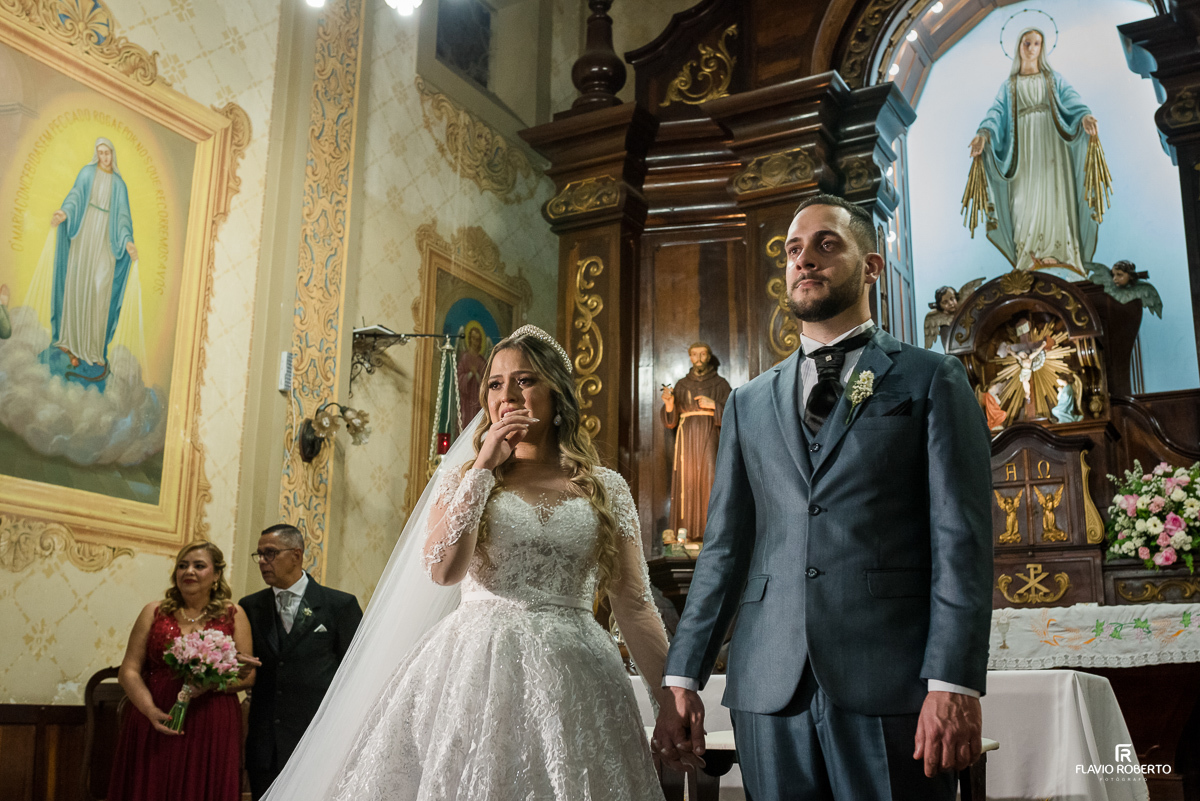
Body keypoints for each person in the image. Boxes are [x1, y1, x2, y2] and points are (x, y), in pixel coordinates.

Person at [653, 195, 993, 800]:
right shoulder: (749, 402)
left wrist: (953, 682)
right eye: (793, 250)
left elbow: (961, 541)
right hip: (767, 683)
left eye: (825, 244)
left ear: (871, 266)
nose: (804, 259)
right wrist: (683, 676)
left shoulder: (930, 378)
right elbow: (724, 550)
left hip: (894, 681)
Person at [261, 324, 687, 800]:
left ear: (557, 394)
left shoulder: (606, 489)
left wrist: (670, 699)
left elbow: (635, 604)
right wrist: (483, 469)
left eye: (525, 380)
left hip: (578, 675)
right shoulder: (462, 479)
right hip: (479, 669)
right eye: (495, 384)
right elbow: (443, 571)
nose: (508, 396)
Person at [108, 541, 256, 801]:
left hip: (212, 719)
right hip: (157, 713)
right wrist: (150, 710)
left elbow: (249, 676)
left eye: (199, 566)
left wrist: (210, 684)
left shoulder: (234, 614)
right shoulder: (154, 612)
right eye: (182, 566)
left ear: (216, 574)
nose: (189, 571)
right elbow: (128, 671)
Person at [239, 524, 363, 800]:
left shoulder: (339, 605)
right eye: (259, 554)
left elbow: (357, 672)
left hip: (317, 739)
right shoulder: (249, 607)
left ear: (296, 555)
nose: (262, 561)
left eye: (270, 553)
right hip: (266, 743)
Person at [968, 28, 1101, 275]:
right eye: (1026, 43)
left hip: (1052, 146)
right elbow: (996, 112)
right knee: (1023, 201)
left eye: (1036, 43)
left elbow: (1071, 99)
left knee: (1056, 194)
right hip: (1023, 154)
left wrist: (1084, 115)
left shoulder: (1053, 79)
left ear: (1043, 48)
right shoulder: (1009, 86)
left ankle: (1062, 256)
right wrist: (983, 134)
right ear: (1018, 46)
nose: (1031, 48)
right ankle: (1028, 257)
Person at [45, 137, 138, 384]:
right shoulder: (87, 173)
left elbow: (123, 218)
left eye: (107, 153)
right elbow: (75, 197)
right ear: (96, 153)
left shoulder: (119, 185)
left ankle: (94, 351)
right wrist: (64, 212)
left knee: (100, 290)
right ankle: (70, 342)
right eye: (100, 152)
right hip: (84, 234)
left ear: (113, 154)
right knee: (78, 284)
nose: (104, 157)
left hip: (106, 238)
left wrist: (127, 241)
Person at [661, 342, 732, 543]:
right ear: (690, 357)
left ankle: (711, 533)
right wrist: (669, 404)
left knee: (710, 479)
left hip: (711, 437)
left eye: (702, 354)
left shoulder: (721, 384)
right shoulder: (682, 385)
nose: (698, 358)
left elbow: (734, 413)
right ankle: (685, 533)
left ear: (709, 357)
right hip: (686, 440)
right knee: (687, 482)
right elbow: (670, 421)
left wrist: (714, 405)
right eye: (694, 354)